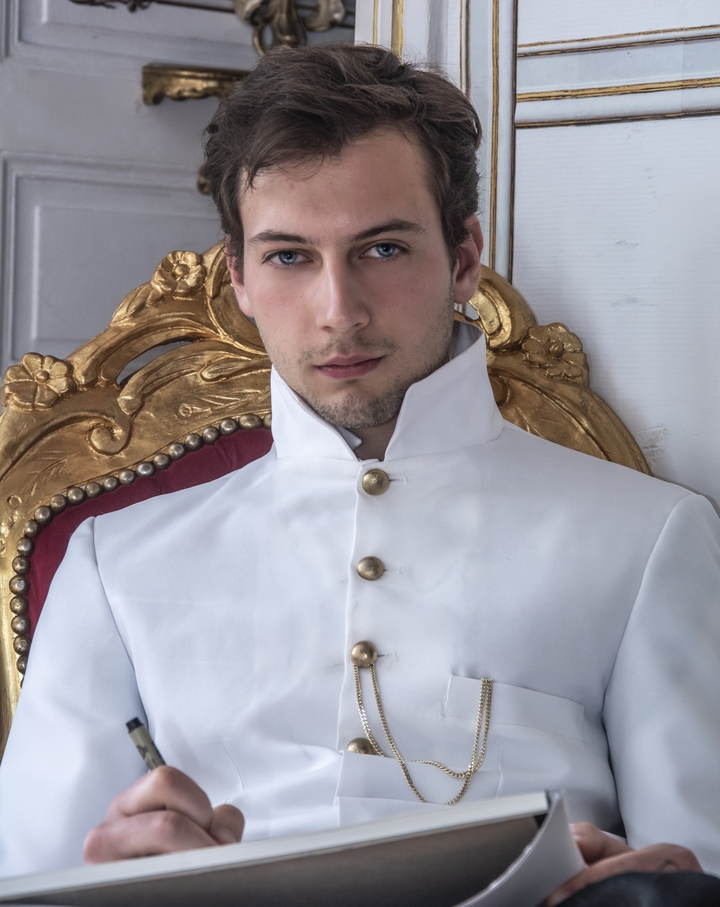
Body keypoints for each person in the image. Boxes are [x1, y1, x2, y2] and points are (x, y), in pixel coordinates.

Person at [0, 45, 718, 906]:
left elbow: (698, 864)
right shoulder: (113, 561)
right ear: (238, 278)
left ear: (463, 259)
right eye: (289, 257)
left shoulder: (648, 536)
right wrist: (110, 873)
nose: (339, 312)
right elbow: (27, 876)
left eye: (381, 248)